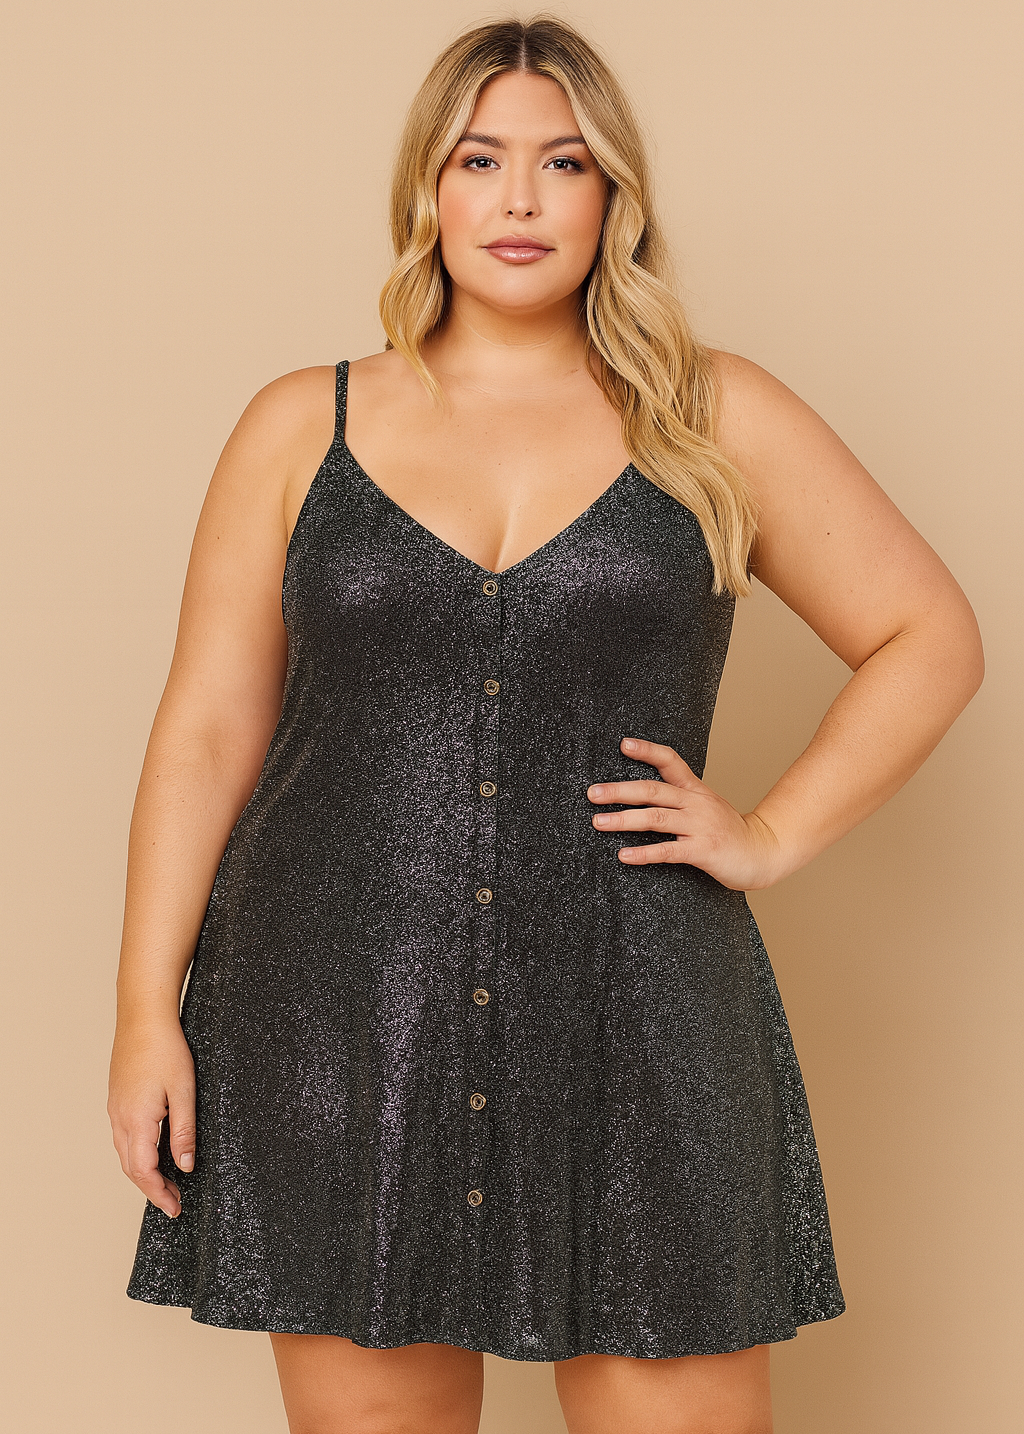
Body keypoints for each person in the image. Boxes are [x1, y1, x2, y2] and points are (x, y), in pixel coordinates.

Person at [107, 15, 984, 1434]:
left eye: (563, 162)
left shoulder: (714, 414)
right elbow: (206, 732)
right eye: (480, 159)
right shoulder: (299, 427)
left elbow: (928, 636)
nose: (518, 199)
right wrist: (146, 1009)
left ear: (612, 194)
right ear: (427, 188)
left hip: (641, 1009)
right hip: (338, 1010)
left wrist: (769, 832)